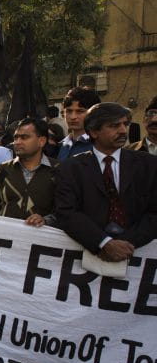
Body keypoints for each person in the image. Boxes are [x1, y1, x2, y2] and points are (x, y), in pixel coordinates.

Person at [55, 102, 157, 262]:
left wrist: (126, 243)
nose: (123, 130)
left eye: (125, 124)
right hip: (88, 255)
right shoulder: (71, 168)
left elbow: (154, 213)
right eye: (114, 126)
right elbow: (67, 212)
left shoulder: (148, 165)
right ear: (94, 132)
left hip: (138, 258)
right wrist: (104, 243)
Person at [0, 118, 59, 226]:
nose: (17, 142)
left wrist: (45, 220)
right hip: (5, 238)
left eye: (24, 137)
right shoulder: (1, 171)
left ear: (41, 141)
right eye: (16, 137)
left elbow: (64, 210)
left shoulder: (59, 170)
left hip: (42, 240)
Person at [57, 87, 101, 161]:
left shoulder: (100, 145)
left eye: (80, 111)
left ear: (93, 113)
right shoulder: (61, 146)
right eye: (69, 111)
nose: (73, 117)